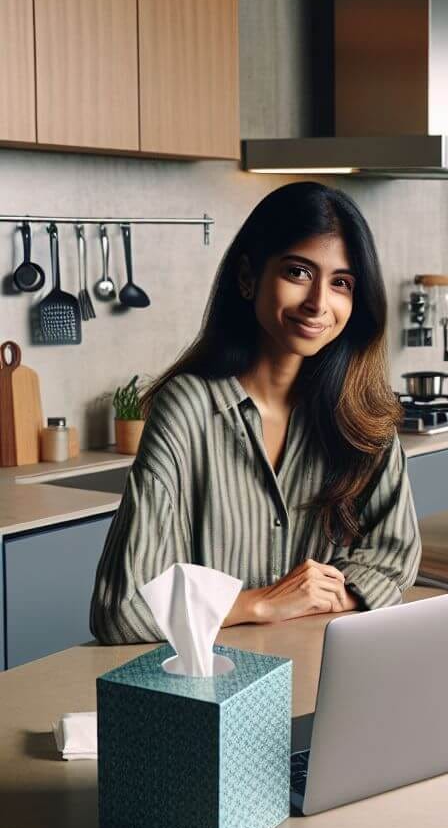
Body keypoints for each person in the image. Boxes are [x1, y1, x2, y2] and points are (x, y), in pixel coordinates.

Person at [90, 182, 421, 644]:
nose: (318, 303)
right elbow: (121, 607)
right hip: (217, 684)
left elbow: (394, 564)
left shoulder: (364, 416)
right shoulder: (187, 410)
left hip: (325, 673)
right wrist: (261, 602)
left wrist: (320, 595)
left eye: (341, 283)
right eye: (298, 272)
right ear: (248, 277)